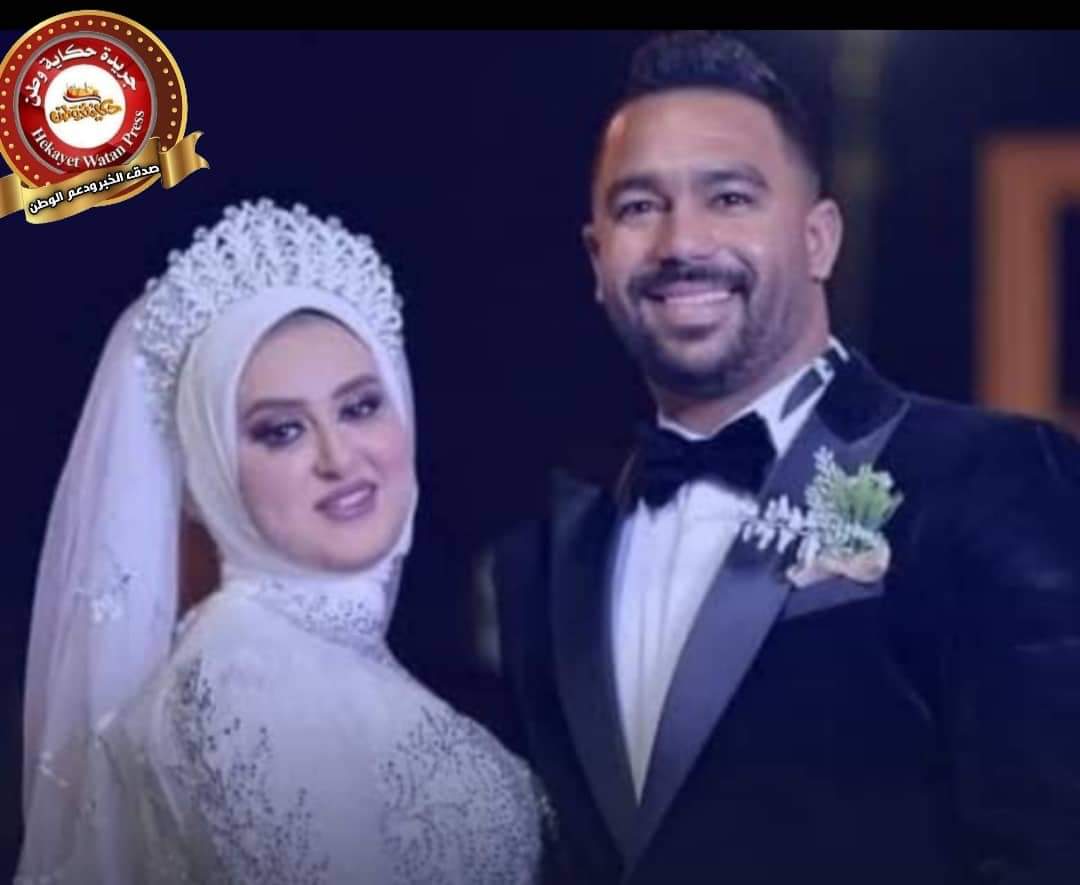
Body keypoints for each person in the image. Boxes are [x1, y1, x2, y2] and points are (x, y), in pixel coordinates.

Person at [490, 30, 1080, 884]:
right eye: (639, 206)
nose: (680, 242)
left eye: (729, 198)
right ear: (596, 257)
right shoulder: (545, 555)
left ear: (819, 239)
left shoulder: (990, 479)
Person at [18, 199, 546, 883]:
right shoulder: (240, 680)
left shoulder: (299, 655)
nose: (339, 457)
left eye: (360, 407)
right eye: (281, 431)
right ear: (210, 470)